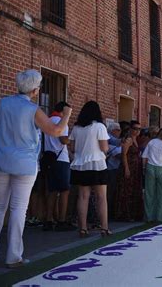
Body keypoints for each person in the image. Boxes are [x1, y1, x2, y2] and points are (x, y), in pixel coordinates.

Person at [0, 69, 72, 268]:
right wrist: (67, 115)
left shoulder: (2, 103)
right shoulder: (33, 109)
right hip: (24, 164)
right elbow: (56, 131)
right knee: (19, 209)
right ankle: (13, 256)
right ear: (35, 89)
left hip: (0, 160)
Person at [69, 101, 111, 238]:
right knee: (101, 197)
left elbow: (72, 148)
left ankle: (83, 228)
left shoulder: (76, 128)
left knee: (82, 196)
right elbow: (104, 147)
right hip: (97, 164)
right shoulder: (99, 126)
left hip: (80, 164)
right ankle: (104, 228)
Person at [43, 102, 75, 232]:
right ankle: (62, 220)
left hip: (49, 158)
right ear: (64, 110)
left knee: (52, 191)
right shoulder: (62, 121)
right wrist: (71, 140)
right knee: (64, 191)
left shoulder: (47, 120)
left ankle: (49, 220)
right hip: (61, 159)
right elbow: (63, 140)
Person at [115, 121, 144, 221]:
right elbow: (124, 155)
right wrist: (126, 168)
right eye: (135, 128)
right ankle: (124, 214)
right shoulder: (129, 139)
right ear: (131, 129)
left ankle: (134, 214)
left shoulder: (136, 140)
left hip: (136, 168)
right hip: (129, 167)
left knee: (135, 190)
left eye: (139, 129)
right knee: (126, 190)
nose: (137, 131)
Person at [105, 122, 123, 216]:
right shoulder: (109, 143)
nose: (120, 132)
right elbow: (119, 155)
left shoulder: (116, 142)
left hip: (116, 169)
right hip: (111, 170)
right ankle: (109, 212)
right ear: (113, 131)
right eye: (118, 130)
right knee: (110, 191)